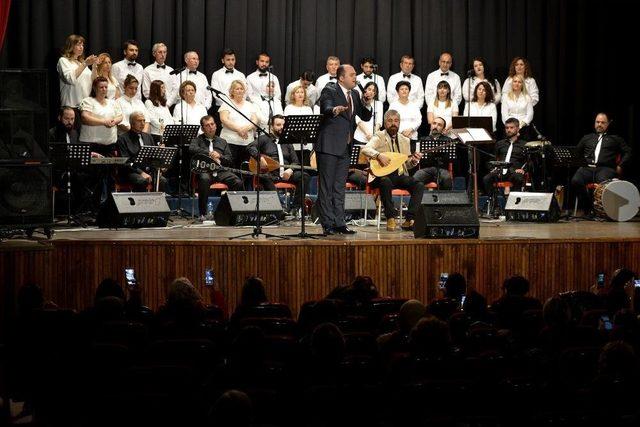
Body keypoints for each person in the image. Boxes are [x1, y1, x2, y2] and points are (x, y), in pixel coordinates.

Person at [315, 64, 372, 235]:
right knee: (327, 187)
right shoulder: (330, 89)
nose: (356, 77)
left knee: (339, 187)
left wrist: (366, 102)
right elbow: (326, 107)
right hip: (329, 146)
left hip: (345, 147)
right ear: (341, 77)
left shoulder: (354, 94)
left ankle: (340, 222)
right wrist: (334, 110)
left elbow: (366, 116)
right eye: (352, 74)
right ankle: (327, 223)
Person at [361, 110, 424, 231]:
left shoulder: (405, 140)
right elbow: (366, 149)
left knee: (419, 185)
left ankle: (409, 219)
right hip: (380, 175)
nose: (393, 124)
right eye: (390, 121)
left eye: (396, 121)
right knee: (386, 182)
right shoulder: (379, 136)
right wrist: (378, 155)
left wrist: (414, 161)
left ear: (399, 123)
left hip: (399, 175)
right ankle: (390, 217)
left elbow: (406, 164)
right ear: (385, 123)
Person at [571, 113, 633, 214]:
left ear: (608, 124)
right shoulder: (587, 138)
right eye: (597, 122)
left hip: (605, 169)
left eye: (603, 122)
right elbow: (576, 153)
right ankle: (589, 207)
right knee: (576, 180)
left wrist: (621, 165)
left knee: (603, 184)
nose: (599, 124)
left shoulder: (615, 139)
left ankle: (602, 210)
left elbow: (628, 152)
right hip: (588, 168)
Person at [247, 115, 310, 213]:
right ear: (271, 126)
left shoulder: (287, 142)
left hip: (286, 173)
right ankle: (278, 210)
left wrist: (290, 170)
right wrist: (259, 157)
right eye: (278, 125)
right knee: (264, 177)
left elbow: (295, 161)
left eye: (283, 125)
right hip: (270, 173)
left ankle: (295, 208)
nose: (281, 127)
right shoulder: (264, 139)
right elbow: (250, 147)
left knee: (304, 176)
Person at [188, 115, 243, 220]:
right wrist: (209, 153)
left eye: (212, 124)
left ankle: (225, 209)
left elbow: (230, 159)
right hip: (205, 170)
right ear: (203, 128)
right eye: (207, 125)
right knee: (204, 179)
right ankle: (202, 213)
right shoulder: (197, 140)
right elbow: (192, 149)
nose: (210, 127)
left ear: (216, 126)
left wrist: (220, 156)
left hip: (220, 170)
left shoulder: (222, 141)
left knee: (237, 182)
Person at [116, 111, 167, 191]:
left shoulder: (148, 137)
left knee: (162, 180)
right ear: (132, 123)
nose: (143, 123)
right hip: (131, 171)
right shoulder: (122, 139)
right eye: (139, 121)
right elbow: (125, 162)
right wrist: (141, 173)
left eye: (144, 120)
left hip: (147, 170)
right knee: (141, 181)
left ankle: (155, 202)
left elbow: (153, 157)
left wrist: (159, 156)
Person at [218, 80, 259, 169]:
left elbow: (255, 120)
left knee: (246, 169)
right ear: (232, 91)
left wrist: (245, 129)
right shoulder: (227, 103)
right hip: (229, 142)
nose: (240, 91)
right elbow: (224, 119)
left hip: (247, 143)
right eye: (237, 89)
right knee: (231, 168)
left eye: (241, 89)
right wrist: (239, 130)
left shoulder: (249, 105)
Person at [79, 76, 123, 156]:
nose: (104, 89)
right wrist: (104, 122)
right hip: (92, 145)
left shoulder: (113, 102)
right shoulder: (88, 101)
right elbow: (85, 117)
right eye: (101, 87)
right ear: (95, 88)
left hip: (110, 145)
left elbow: (120, 116)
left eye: (106, 87)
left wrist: (114, 121)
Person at [482, 118, 527, 195]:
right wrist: (492, 168)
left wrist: (523, 169)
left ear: (518, 129)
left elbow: (529, 161)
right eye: (507, 128)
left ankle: (513, 203)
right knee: (486, 179)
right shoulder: (500, 143)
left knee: (518, 178)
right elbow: (492, 158)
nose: (509, 130)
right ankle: (494, 201)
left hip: (514, 171)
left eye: (511, 127)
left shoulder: (524, 144)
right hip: (500, 170)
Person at [56, 34, 96, 109]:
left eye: (82, 45)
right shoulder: (63, 61)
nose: (81, 47)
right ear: (71, 46)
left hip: (85, 105)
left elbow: (93, 81)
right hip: (71, 106)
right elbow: (70, 79)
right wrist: (85, 64)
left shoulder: (81, 63)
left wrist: (94, 67)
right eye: (78, 45)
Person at [413, 117, 454, 190]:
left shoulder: (448, 141)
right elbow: (417, 159)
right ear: (431, 125)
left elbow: (451, 159)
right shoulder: (422, 140)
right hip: (426, 169)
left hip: (442, 169)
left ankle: (445, 200)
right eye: (434, 123)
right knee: (415, 178)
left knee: (447, 178)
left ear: (443, 129)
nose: (436, 126)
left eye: (439, 125)